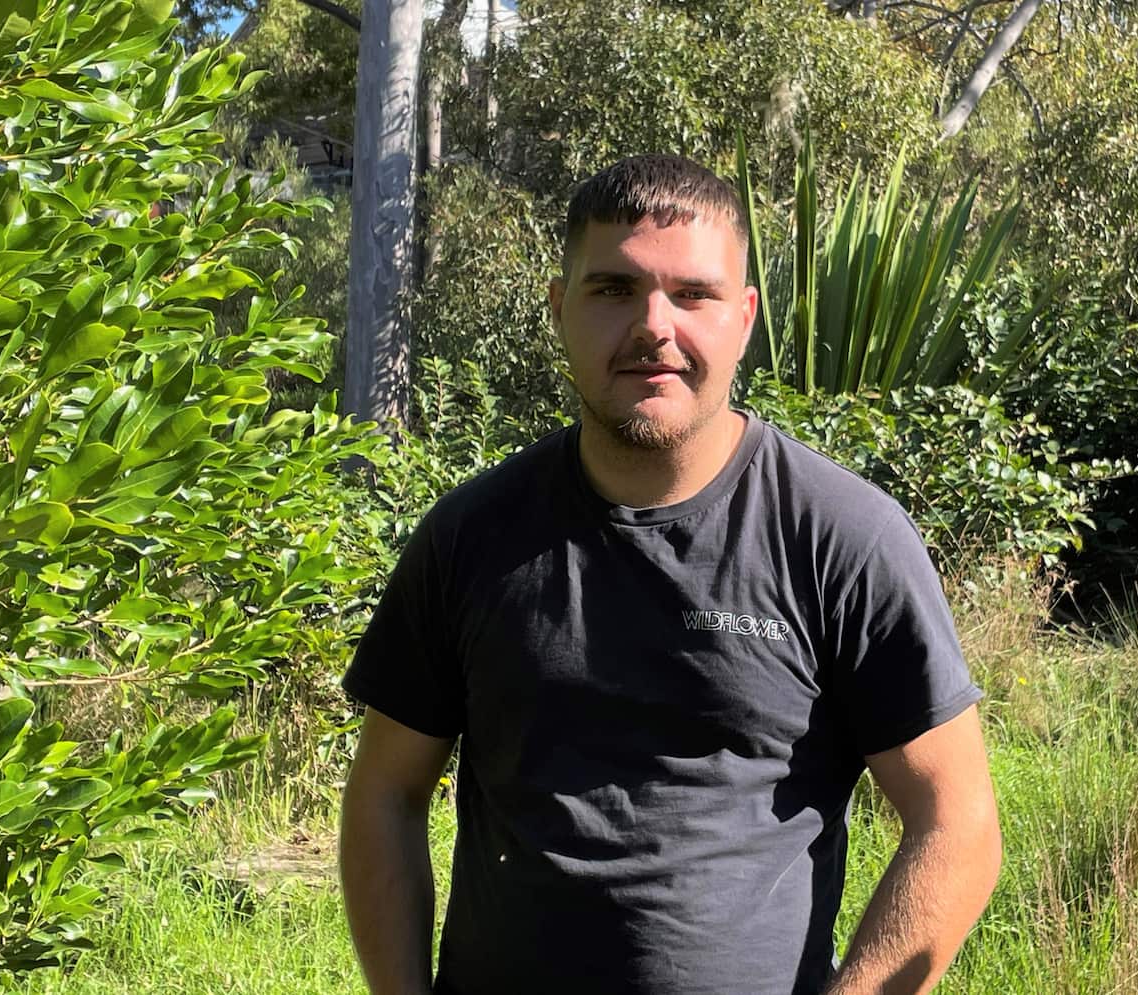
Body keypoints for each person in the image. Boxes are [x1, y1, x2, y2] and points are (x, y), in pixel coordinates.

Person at [338, 154, 1002, 995]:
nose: (655, 325)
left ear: (746, 317)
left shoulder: (842, 536)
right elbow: (387, 794)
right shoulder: (471, 537)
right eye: (613, 289)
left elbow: (958, 822)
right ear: (558, 309)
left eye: (693, 294)